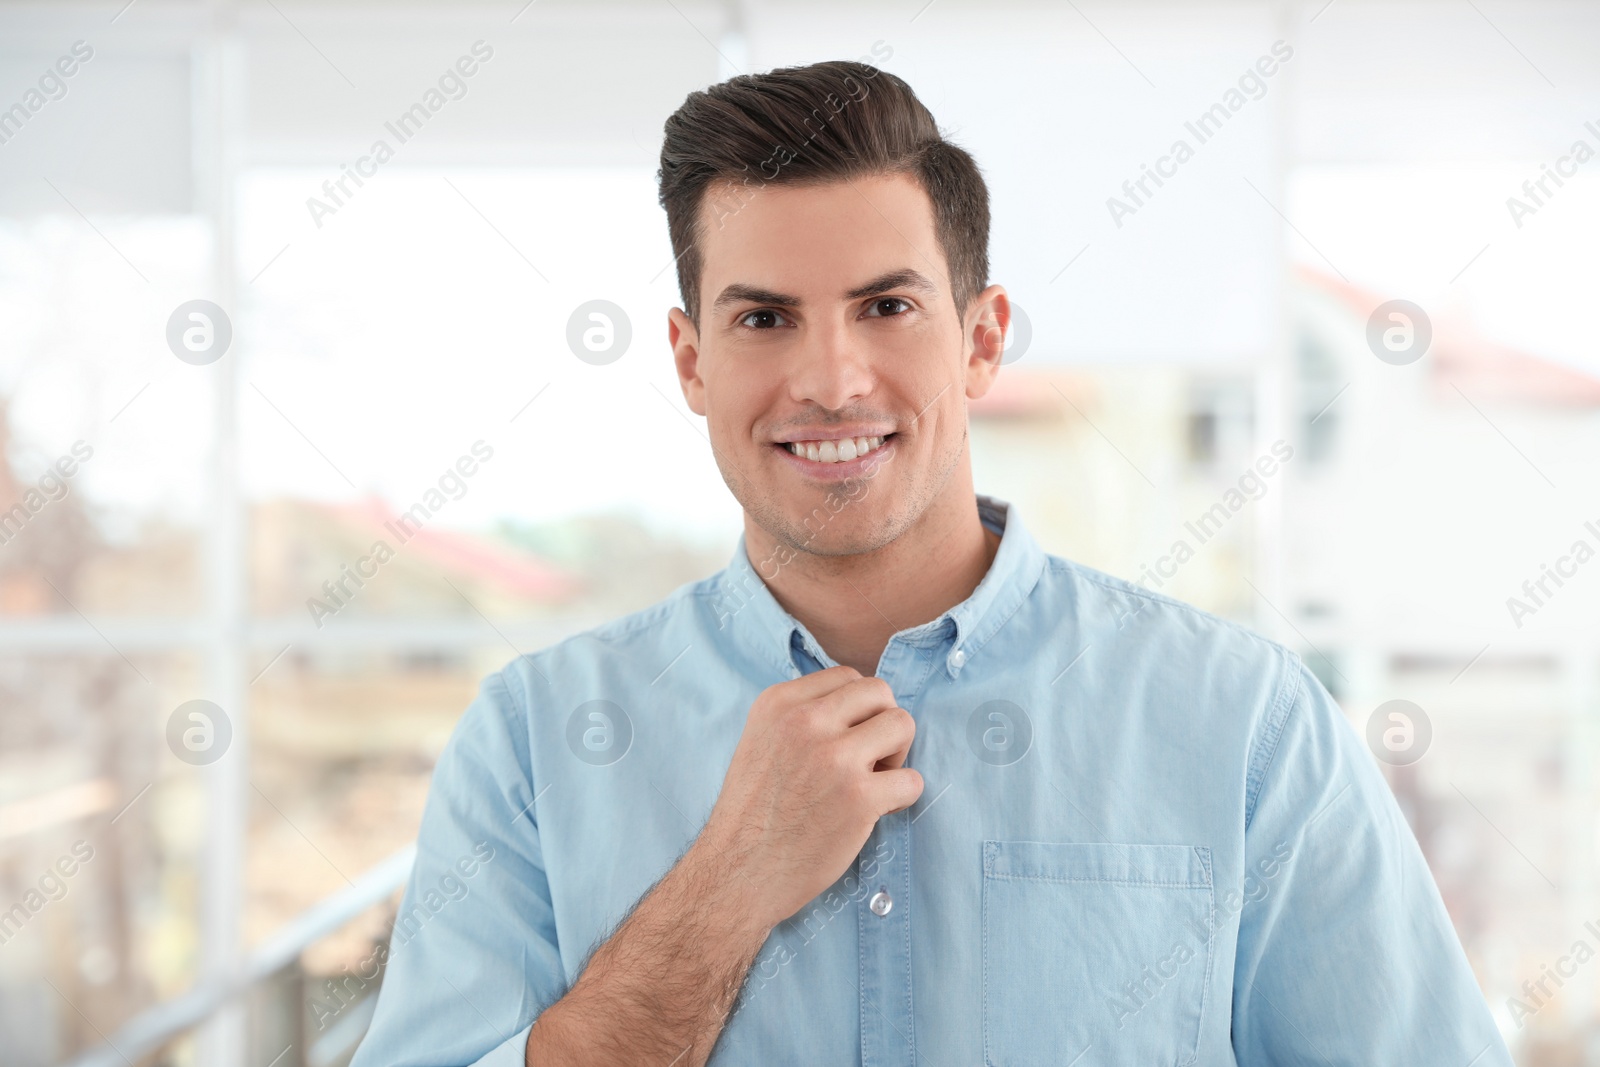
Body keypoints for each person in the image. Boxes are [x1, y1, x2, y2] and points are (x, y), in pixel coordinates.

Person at [350, 59, 1509, 1066]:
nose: (832, 378)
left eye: (886, 305)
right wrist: (725, 887)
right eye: (764, 318)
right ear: (690, 359)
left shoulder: (1245, 724)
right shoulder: (532, 745)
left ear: (983, 338)